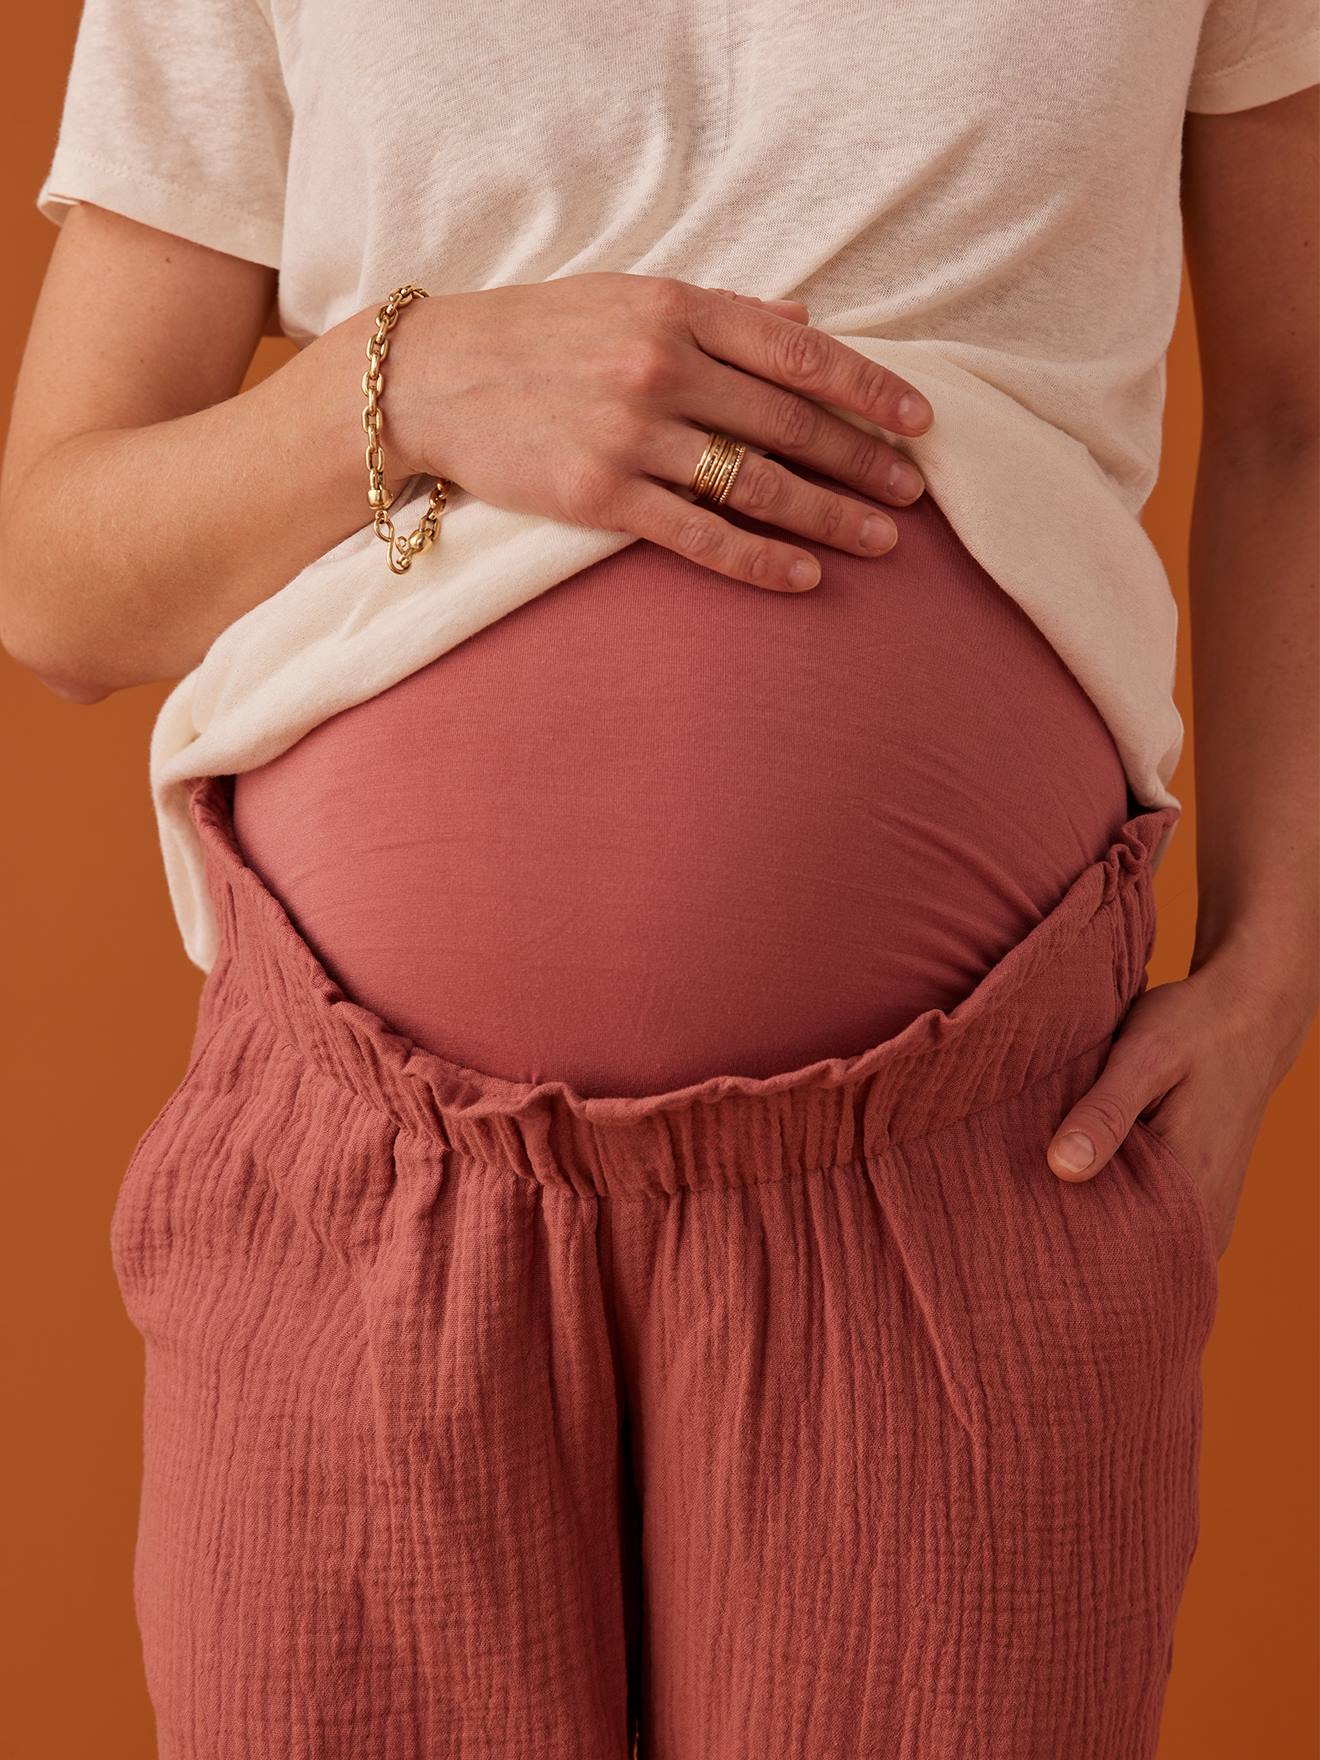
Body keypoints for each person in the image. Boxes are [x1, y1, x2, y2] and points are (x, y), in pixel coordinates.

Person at [1, 0, 1316, 1753]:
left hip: (976, 1171)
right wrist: (409, 383)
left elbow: (1302, 417)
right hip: (366, 1197)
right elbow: (54, 581)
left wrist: (1277, 961)